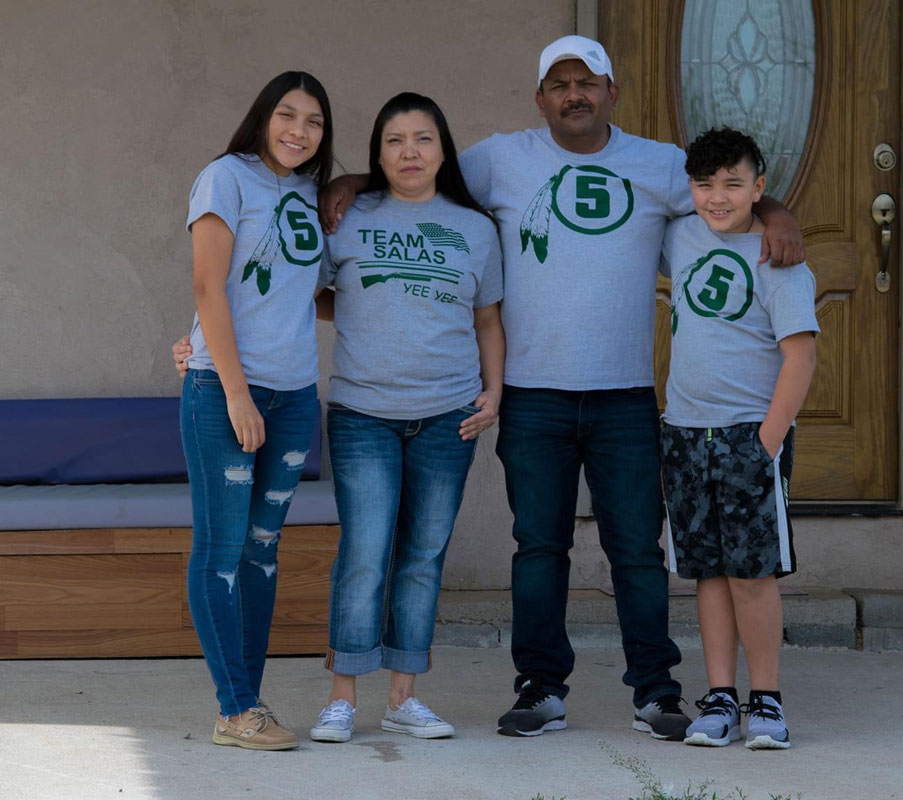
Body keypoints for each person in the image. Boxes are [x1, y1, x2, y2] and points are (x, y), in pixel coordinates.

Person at [320, 35, 805, 741]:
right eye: (558, 83)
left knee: (636, 550)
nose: (573, 93)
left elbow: (727, 185)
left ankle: (656, 692)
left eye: (587, 81)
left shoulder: (659, 165)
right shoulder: (500, 159)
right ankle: (541, 689)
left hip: (626, 396)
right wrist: (353, 183)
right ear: (540, 98)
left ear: (613, 91)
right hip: (533, 395)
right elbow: (420, 173)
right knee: (538, 547)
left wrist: (780, 213)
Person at [175, 92, 505, 741]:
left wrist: (494, 390)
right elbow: (251, 286)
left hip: (432, 412)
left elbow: (485, 316)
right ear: (377, 152)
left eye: (424, 139)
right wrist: (205, 349)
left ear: (444, 149)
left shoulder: (465, 225)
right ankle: (306, 700)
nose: (409, 151)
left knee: (415, 555)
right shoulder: (311, 204)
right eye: (394, 140)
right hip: (355, 410)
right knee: (359, 551)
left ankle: (401, 697)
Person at [180, 71, 333, 750]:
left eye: (314, 122)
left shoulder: (310, 192)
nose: (298, 131)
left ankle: (250, 702)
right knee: (220, 550)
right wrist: (237, 391)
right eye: (287, 115)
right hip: (226, 392)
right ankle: (237, 709)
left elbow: (309, 294)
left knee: (261, 551)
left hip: (296, 395)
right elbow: (207, 286)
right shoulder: (226, 177)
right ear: (262, 117)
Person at [659, 127, 818, 750]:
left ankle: (767, 702)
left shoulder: (779, 260)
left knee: (753, 575)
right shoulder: (679, 235)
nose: (718, 197)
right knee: (707, 573)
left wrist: (767, 442)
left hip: (748, 436)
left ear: (759, 186)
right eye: (705, 184)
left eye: (733, 184)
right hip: (684, 434)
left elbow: (800, 358)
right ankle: (720, 696)